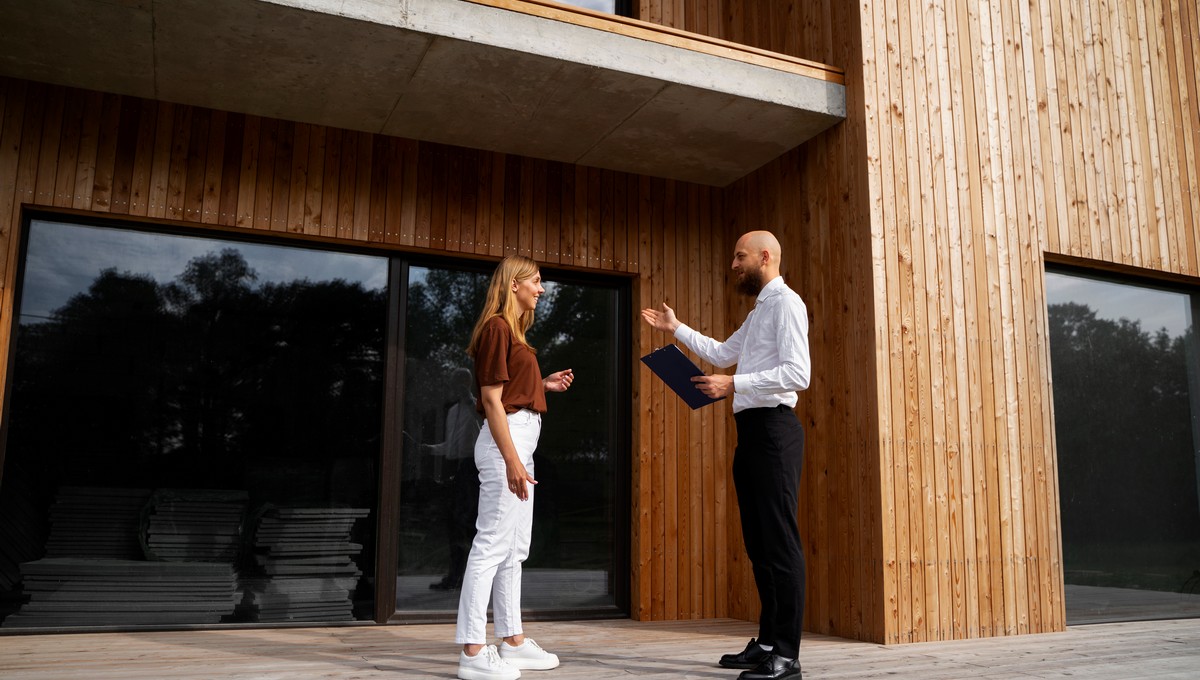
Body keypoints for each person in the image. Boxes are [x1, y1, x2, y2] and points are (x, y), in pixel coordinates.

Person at [641, 230, 810, 680]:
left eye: (739, 256)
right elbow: (721, 352)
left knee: (780, 542)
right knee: (758, 543)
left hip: (775, 431)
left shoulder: (788, 303)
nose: (734, 264)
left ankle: (788, 657)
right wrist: (673, 329)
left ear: (765, 256)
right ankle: (769, 642)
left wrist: (733, 384)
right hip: (751, 433)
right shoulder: (760, 311)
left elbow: (799, 373)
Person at [456, 255, 574, 680]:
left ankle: (512, 641)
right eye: (536, 282)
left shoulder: (513, 333)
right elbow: (491, 402)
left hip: (521, 439)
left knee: (514, 548)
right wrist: (511, 460)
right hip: (506, 444)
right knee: (490, 544)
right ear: (514, 285)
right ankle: (472, 650)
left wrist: (541, 386)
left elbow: (508, 392)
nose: (541, 290)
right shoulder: (496, 328)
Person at [424, 367, 484, 591]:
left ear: (468, 383)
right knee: (455, 524)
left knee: (469, 525)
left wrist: (469, 397)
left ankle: (470, 578)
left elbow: (482, 426)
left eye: (462, 381)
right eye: (455, 382)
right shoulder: (452, 412)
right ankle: (455, 576)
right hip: (457, 469)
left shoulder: (478, 406)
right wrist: (429, 449)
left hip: (473, 469)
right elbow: (451, 446)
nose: (457, 386)